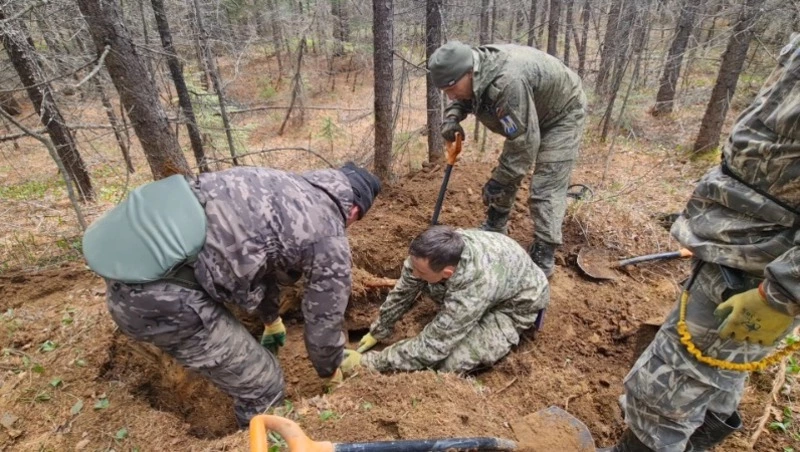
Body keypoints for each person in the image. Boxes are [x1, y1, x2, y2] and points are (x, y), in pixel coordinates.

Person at [601, 35, 800, 452]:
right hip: (745, 239)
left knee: (669, 383)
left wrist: (785, 291)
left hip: (764, 257)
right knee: (721, 370)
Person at [82, 163, 380, 428]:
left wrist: (271, 319)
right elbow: (324, 318)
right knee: (265, 386)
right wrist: (331, 368)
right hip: (157, 299)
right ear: (354, 210)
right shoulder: (328, 236)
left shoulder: (275, 181)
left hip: (130, 259)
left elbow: (267, 262)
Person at [427, 41, 587, 277]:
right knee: (508, 169)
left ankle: (544, 252)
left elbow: (523, 145)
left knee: (546, 185)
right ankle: (496, 224)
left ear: (469, 72)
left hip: (561, 114)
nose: (450, 95)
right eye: (445, 91)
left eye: (451, 88)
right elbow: (465, 96)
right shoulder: (473, 71)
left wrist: (498, 181)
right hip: (530, 106)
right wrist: (452, 117)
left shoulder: (507, 83)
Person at [339, 225, 549, 375]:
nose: (414, 273)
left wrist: (369, 363)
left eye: (420, 271)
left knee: (447, 364)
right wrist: (380, 328)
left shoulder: (472, 287)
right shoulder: (429, 255)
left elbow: (433, 347)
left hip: (514, 304)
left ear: (448, 272)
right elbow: (404, 289)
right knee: (429, 284)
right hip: (498, 280)